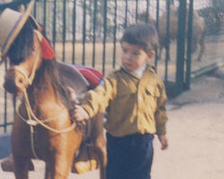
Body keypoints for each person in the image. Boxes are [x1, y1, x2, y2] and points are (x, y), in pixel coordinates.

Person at [72, 24, 169, 179]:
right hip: (118, 141)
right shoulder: (115, 79)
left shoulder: (155, 81)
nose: (127, 57)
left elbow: (160, 109)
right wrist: (86, 109)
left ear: (149, 55)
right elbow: (100, 95)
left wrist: (161, 132)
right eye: (124, 51)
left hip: (144, 142)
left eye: (135, 53)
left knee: (142, 176)